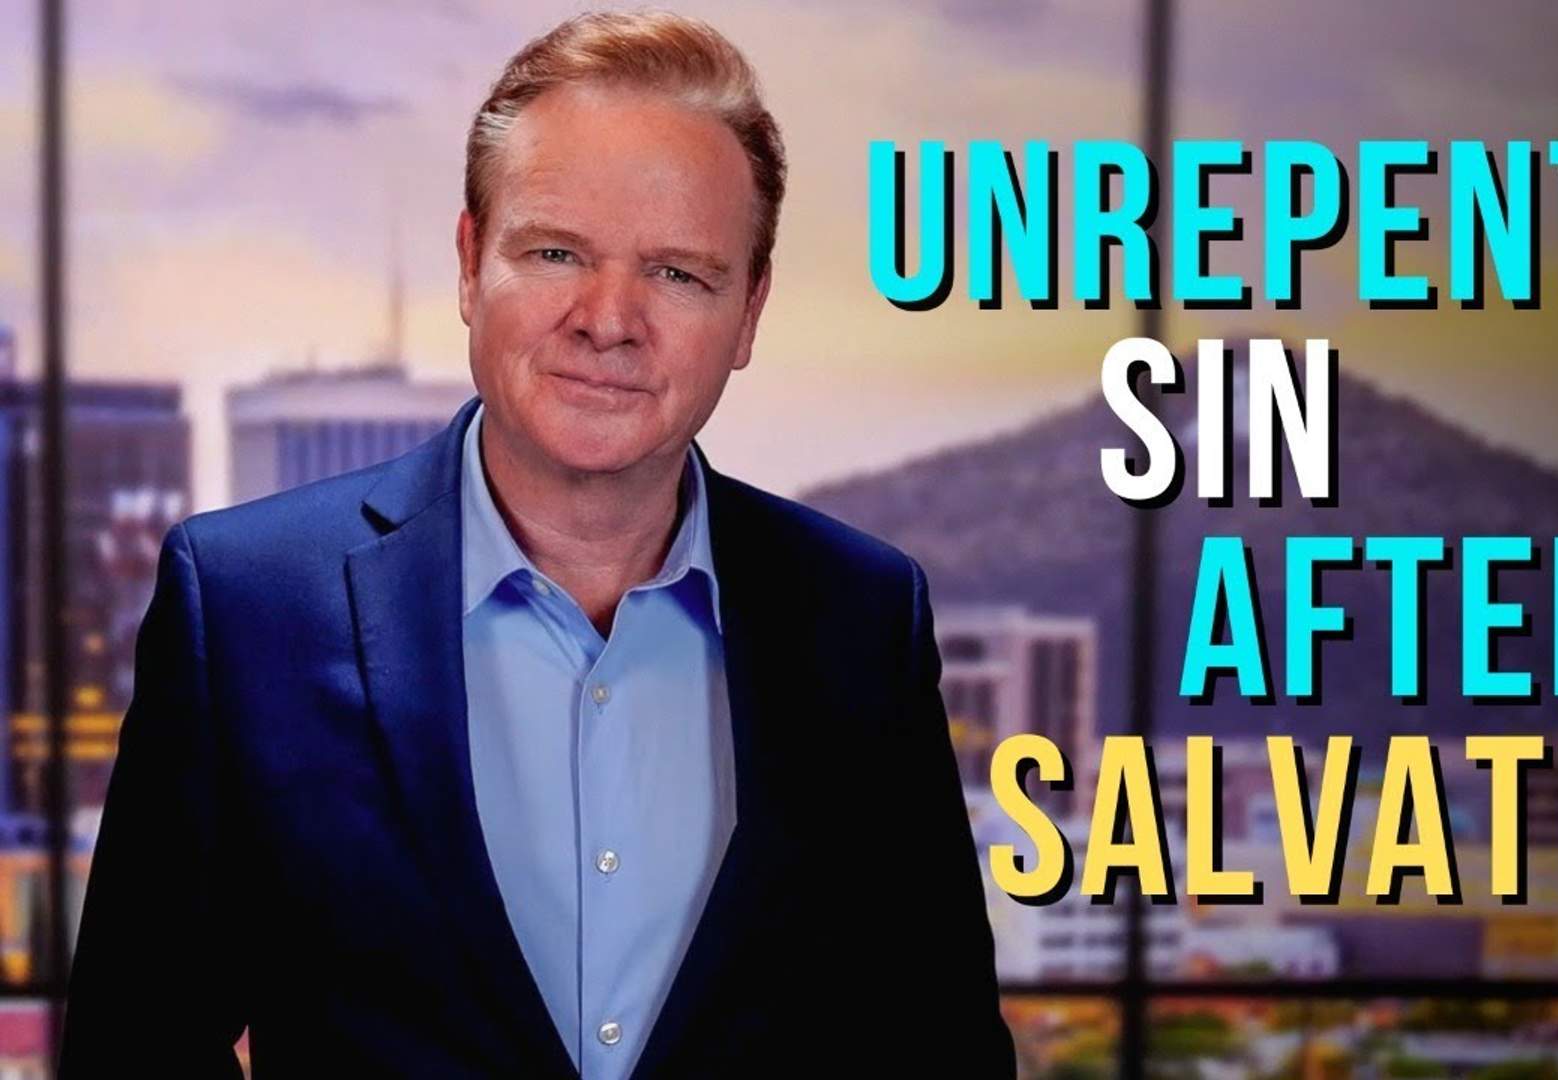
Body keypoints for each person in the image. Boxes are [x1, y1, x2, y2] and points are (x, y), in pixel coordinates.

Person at [60, 10, 1015, 1078]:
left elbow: (941, 1052)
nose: (609, 319)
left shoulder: (864, 621)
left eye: (680, 274)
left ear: (749, 313)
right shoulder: (243, 606)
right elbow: (130, 1047)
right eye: (556, 252)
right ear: (471, 266)